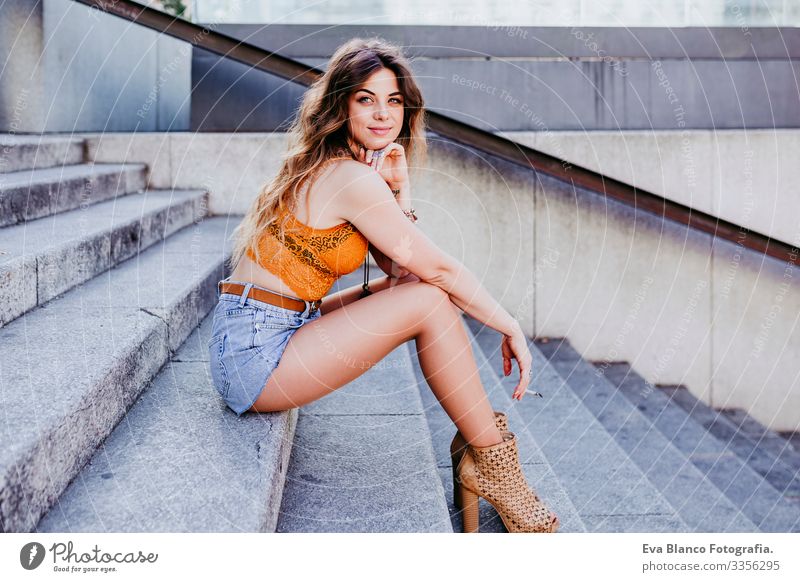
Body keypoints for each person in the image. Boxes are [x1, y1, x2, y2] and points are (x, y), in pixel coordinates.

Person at [207, 37, 558, 533]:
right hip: (257, 355)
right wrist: (509, 324)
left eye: (393, 100)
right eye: (366, 99)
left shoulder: (345, 171)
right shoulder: (349, 178)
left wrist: (400, 190)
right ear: (341, 105)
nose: (382, 114)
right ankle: (496, 468)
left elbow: (399, 273)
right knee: (431, 301)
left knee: (421, 298)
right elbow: (435, 270)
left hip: (263, 329)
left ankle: (480, 452)